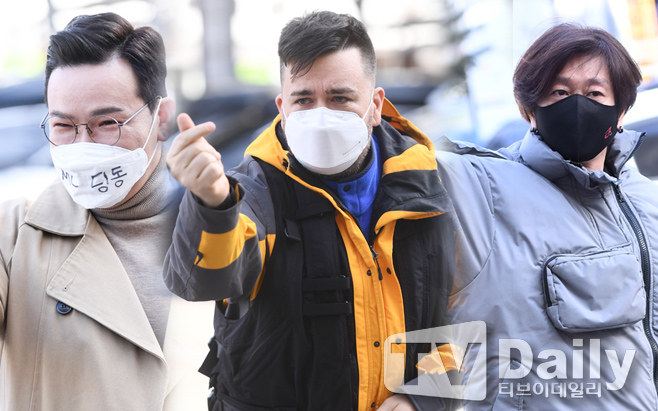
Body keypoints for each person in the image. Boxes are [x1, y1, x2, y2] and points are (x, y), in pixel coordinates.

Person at [164, 10, 459, 411]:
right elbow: (204, 281)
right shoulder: (253, 193)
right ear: (283, 108)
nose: (321, 117)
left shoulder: (430, 185)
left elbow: (466, 315)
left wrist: (424, 397)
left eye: (339, 98)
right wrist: (213, 204)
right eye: (304, 99)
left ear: (375, 105)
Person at [436, 23, 658, 409]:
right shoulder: (481, 186)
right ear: (529, 109)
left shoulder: (648, 198)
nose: (577, 106)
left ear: (620, 110)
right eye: (560, 92)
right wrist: (417, 389)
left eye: (594, 93)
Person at [0, 12, 209, 410]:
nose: (83, 145)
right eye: (63, 126)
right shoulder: (13, 236)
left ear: (161, 119)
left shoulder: (223, 230)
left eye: (107, 123)